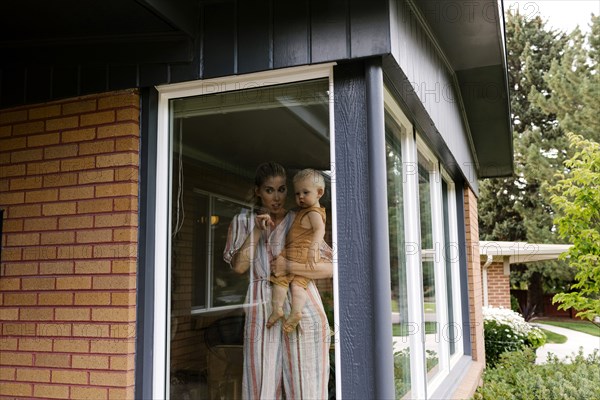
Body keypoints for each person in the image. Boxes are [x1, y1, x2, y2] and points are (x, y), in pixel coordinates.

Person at [223, 162, 333, 399]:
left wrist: (290, 266)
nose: (277, 197)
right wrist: (257, 231)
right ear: (257, 191)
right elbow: (239, 267)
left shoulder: (300, 218)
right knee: (261, 384)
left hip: (301, 308)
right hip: (263, 310)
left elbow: (331, 268)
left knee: (306, 386)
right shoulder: (242, 222)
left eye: (282, 189)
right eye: (269, 190)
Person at [266, 169, 327, 333]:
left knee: (280, 280)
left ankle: (277, 308)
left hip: (296, 252)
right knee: (299, 286)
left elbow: (320, 230)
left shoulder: (314, 212)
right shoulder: (306, 211)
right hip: (303, 257)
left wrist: (314, 248)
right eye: (297, 193)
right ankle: (296, 312)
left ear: (319, 192)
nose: (300, 196)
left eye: (305, 192)